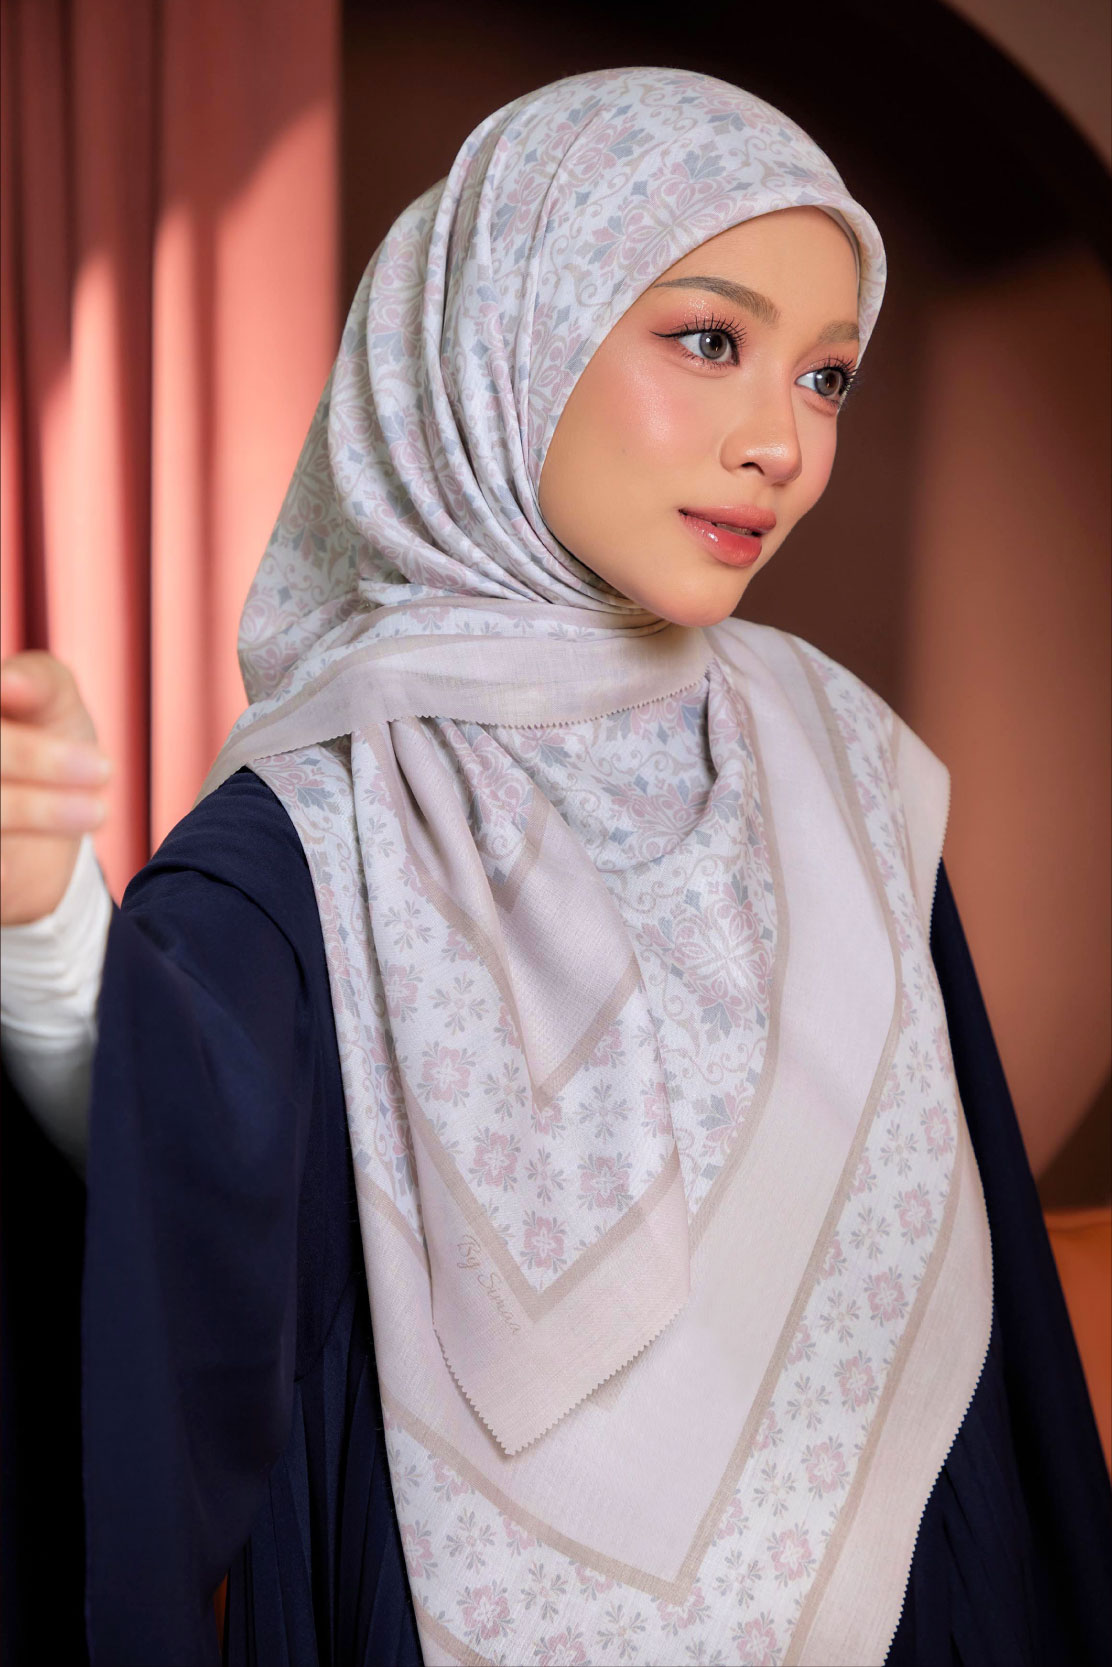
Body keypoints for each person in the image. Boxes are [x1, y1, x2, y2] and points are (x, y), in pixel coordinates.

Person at [1, 65, 1109, 1667]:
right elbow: (178, 1168)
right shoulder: (327, 814)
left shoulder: (844, 763)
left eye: (827, 376)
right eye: (710, 341)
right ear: (505, 331)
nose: (781, 444)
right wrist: (41, 924)